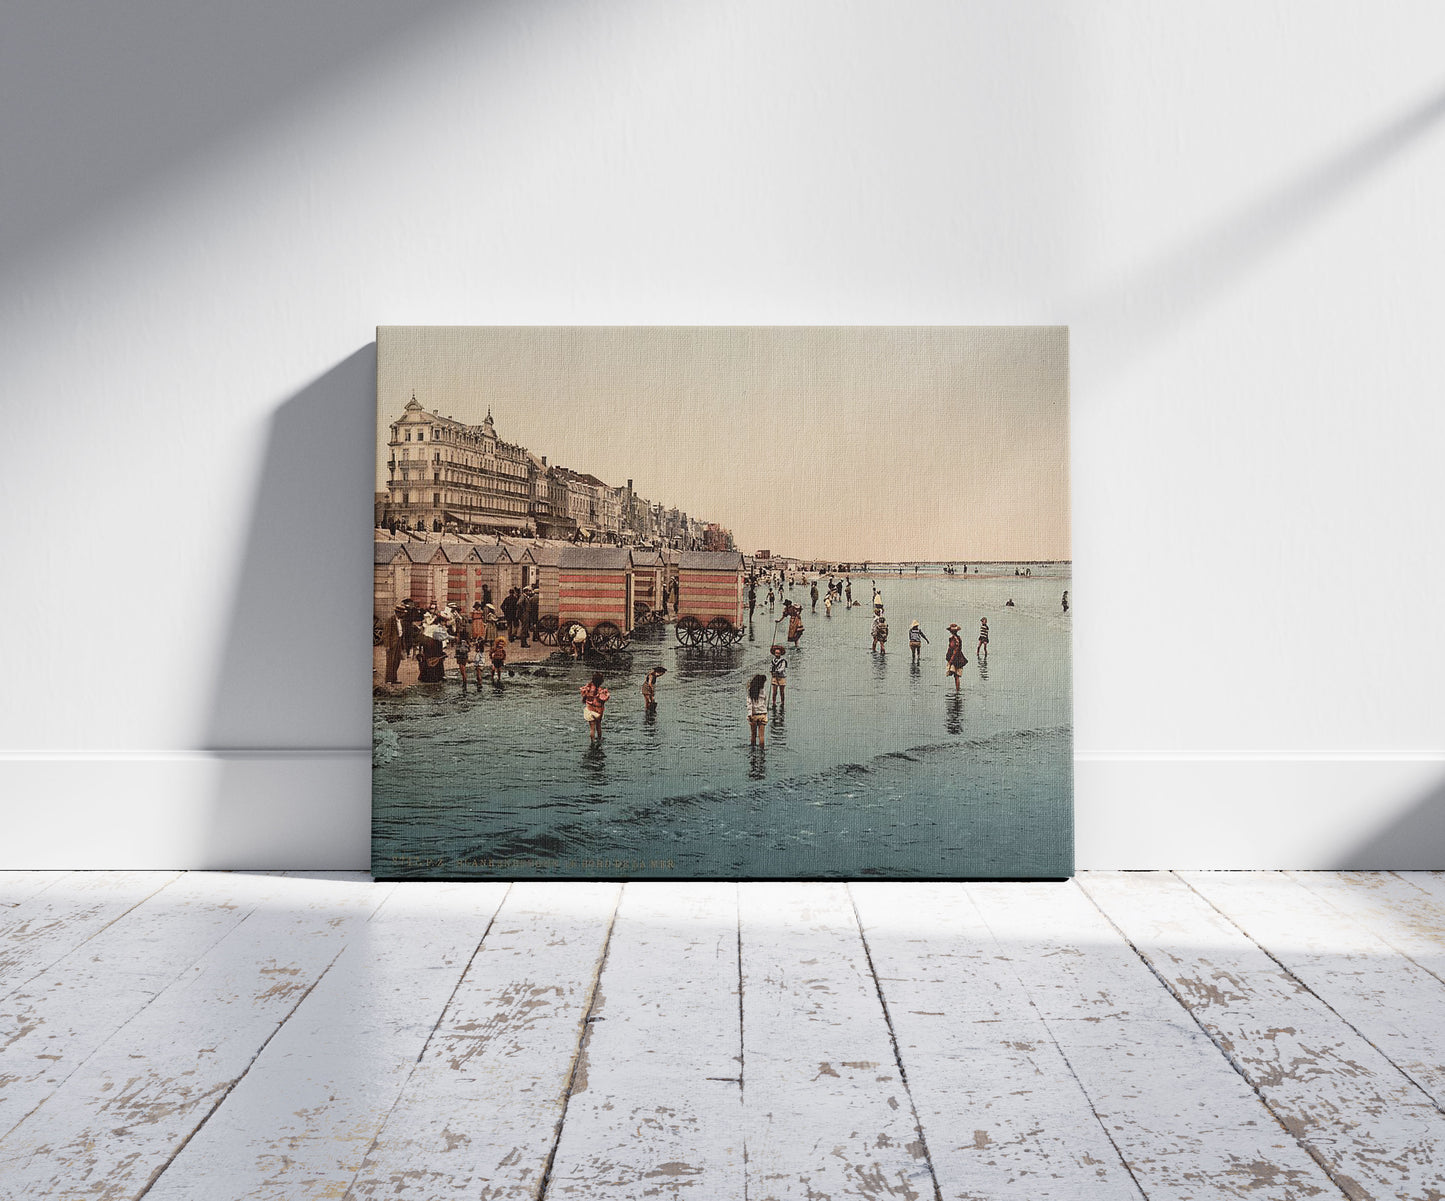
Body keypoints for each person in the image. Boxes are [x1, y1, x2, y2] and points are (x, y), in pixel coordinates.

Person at [580, 672, 610, 742]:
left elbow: (584, 695)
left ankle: (592, 741)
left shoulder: (588, 688)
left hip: (590, 710)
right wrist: (607, 694)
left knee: (592, 728)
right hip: (598, 712)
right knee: (599, 726)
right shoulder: (600, 690)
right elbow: (604, 699)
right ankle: (599, 739)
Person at [381, 605, 406, 684]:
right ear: (398, 613)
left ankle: (394, 679)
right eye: (402, 613)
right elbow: (386, 634)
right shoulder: (390, 620)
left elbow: (401, 633)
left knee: (396, 661)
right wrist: (387, 645)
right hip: (392, 644)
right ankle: (388, 679)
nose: (403, 615)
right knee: (390, 662)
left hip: (398, 643)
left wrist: (403, 645)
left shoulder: (400, 620)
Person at [747, 674, 768, 747]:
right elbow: (764, 702)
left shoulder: (751, 691)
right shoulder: (763, 691)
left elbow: (749, 704)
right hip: (762, 714)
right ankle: (762, 753)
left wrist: (750, 714)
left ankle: (753, 753)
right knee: (761, 736)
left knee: (753, 735)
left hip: (754, 715)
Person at [945, 623, 967, 692]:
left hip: (956, 658)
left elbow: (955, 649)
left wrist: (951, 659)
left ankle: (957, 690)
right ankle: (958, 690)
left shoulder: (954, 639)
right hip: (958, 657)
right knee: (956, 676)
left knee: (956, 675)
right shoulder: (957, 638)